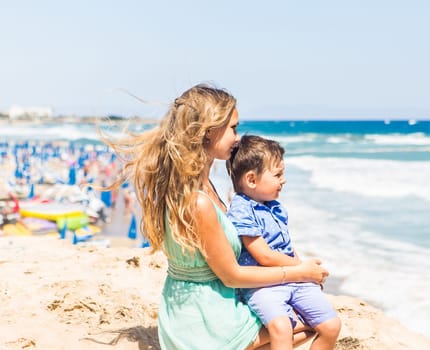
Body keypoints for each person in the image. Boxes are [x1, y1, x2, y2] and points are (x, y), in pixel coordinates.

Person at [102, 83, 329, 350]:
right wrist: (297, 272)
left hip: (199, 305)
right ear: (209, 132)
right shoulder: (198, 201)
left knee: (305, 323)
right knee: (315, 324)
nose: (237, 137)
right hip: (206, 319)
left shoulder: (199, 186)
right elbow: (231, 276)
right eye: (232, 128)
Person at [226, 135, 341, 350]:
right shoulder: (241, 209)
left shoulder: (274, 206)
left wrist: (307, 274)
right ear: (251, 180)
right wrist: (302, 269)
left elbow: (286, 245)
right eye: (277, 175)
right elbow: (264, 255)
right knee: (281, 327)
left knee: (331, 325)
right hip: (263, 284)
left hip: (293, 279)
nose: (283, 180)